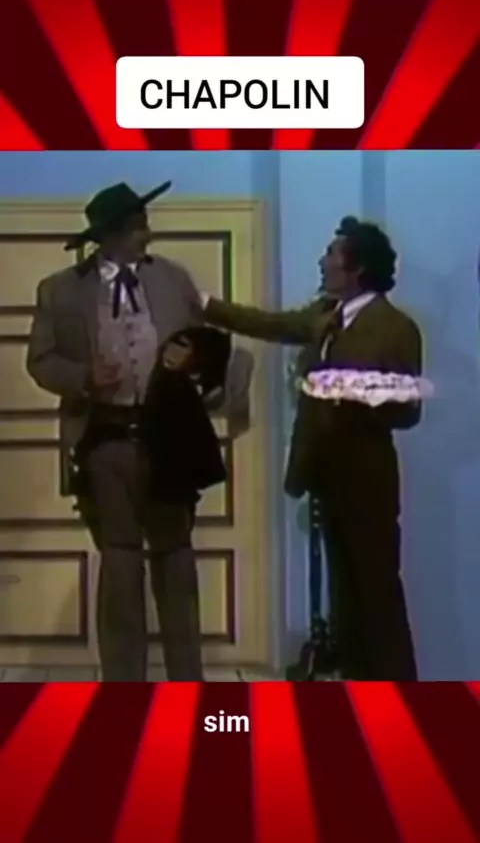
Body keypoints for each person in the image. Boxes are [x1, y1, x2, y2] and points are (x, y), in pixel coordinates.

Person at [26, 181, 253, 682]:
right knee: (121, 566)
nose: (147, 233)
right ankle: (124, 687)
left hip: (169, 441)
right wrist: (84, 377)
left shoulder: (172, 278)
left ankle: (187, 682)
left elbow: (210, 345)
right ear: (112, 234)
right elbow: (40, 360)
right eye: (137, 226)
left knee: (176, 561)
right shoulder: (60, 290)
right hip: (105, 441)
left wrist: (197, 366)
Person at [200, 216, 422, 680]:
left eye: (332, 254)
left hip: (367, 477)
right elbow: (271, 324)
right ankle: (357, 686)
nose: (322, 261)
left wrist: (348, 391)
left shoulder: (395, 327)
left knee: (377, 590)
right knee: (343, 593)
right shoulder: (325, 316)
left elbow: (407, 409)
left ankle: (400, 694)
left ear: (356, 269)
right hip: (326, 473)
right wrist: (205, 306)